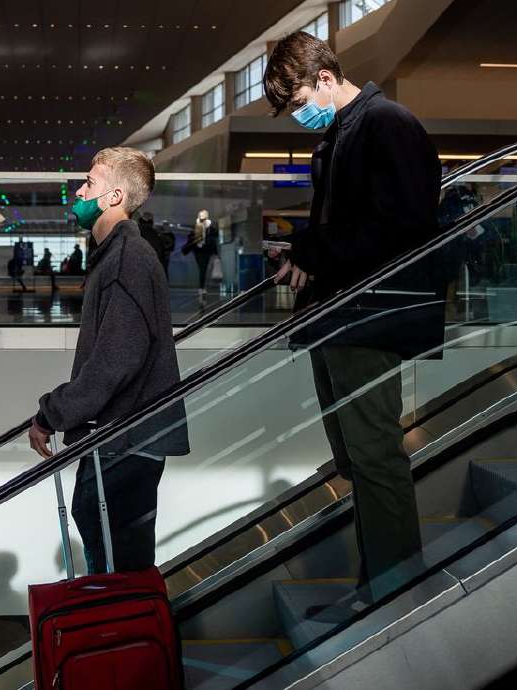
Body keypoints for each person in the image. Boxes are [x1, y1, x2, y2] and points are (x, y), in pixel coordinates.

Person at [263, 31, 443, 617]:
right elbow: (355, 227)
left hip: (371, 318)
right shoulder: (342, 135)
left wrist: (316, 250)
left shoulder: (386, 124)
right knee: (356, 459)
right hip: (342, 318)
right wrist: (304, 255)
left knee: (374, 457)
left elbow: (404, 225)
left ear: (323, 77)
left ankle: (394, 595)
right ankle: (379, 586)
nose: (298, 116)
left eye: (296, 102)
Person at [28, 147, 190, 574]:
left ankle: (136, 640)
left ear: (115, 196)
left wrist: (51, 414)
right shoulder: (116, 257)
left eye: (89, 183)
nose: (79, 190)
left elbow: (114, 363)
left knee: (123, 573)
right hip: (118, 439)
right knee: (118, 566)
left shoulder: (127, 260)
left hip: (124, 443)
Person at [181, 209, 219, 299]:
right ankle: (202, 287)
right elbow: (191, 238)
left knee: (203, 268)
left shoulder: (209, 228)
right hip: (199, 251)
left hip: (204, 251)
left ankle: (202, 287)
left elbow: (213, 239)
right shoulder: (198, 227)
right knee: (203, 268)